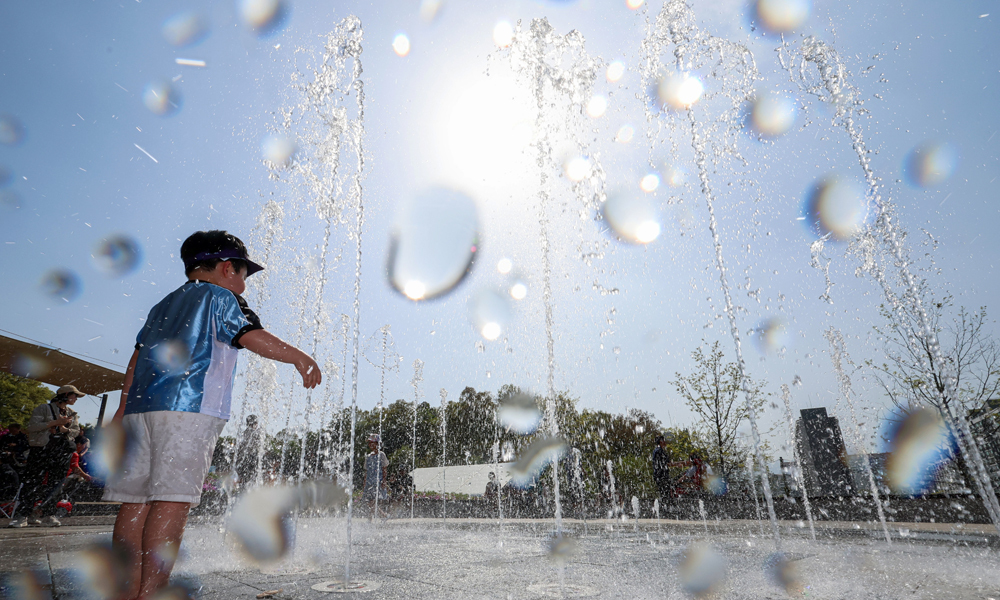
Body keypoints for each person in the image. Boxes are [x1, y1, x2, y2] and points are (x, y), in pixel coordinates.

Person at [102, 230, 322, 600]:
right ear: (226, 268)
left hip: (140, 411)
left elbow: (136, 359)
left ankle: (126, 590)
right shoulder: (223, 298)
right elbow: (250, 335)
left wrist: (122, 409)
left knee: (134, 500)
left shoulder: (163, 304)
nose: (244, 284)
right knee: (172, 499)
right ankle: (153, 592)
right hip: (189, 410)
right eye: (243, 275)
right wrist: (298, 356)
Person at [9, 385, 82, 527]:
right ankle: (23, 515)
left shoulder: (72, 412)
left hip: (61, 452)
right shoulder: (43, 408)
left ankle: (49, 514)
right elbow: (32, 427)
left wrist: (64, 429)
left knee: (56, 484)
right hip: (40, 450)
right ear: (65, 394)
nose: (76, 399)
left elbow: (76, 431)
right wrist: (55, 423)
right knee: (32, 482)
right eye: (74, 395)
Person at [363, 433, 388, 521]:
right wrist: (364, 483)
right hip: (369, 482)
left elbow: (384, 469)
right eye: (369, 443)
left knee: (373, 502)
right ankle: (375, 518)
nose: (370, 445)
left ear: (378, 444)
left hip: (378, 481)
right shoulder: (368, 457)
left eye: (372, 442)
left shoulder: (381, 455)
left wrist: (384, 480)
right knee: (369, 502)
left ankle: (382, 516)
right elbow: (366, 472)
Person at [236, 414, 261, 489]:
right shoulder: (255, 433)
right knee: (252, 478)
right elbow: (258, 446)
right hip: (252, 457)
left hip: (244, 458)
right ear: (255, 423)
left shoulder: (244, 432)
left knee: (244, 479)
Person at [651, 432, 675, 506]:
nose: (665, 442)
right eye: (664, 440)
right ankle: (665, 509)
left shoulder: (660, 451)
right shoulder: (659, 451)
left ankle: (665, 508)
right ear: (661, 441)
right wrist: (680, 464)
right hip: (661, 475)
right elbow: (665, 464)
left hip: (661, 475)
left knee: (665, 492)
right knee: (665, 492)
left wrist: (681, 463)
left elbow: (668, 463)